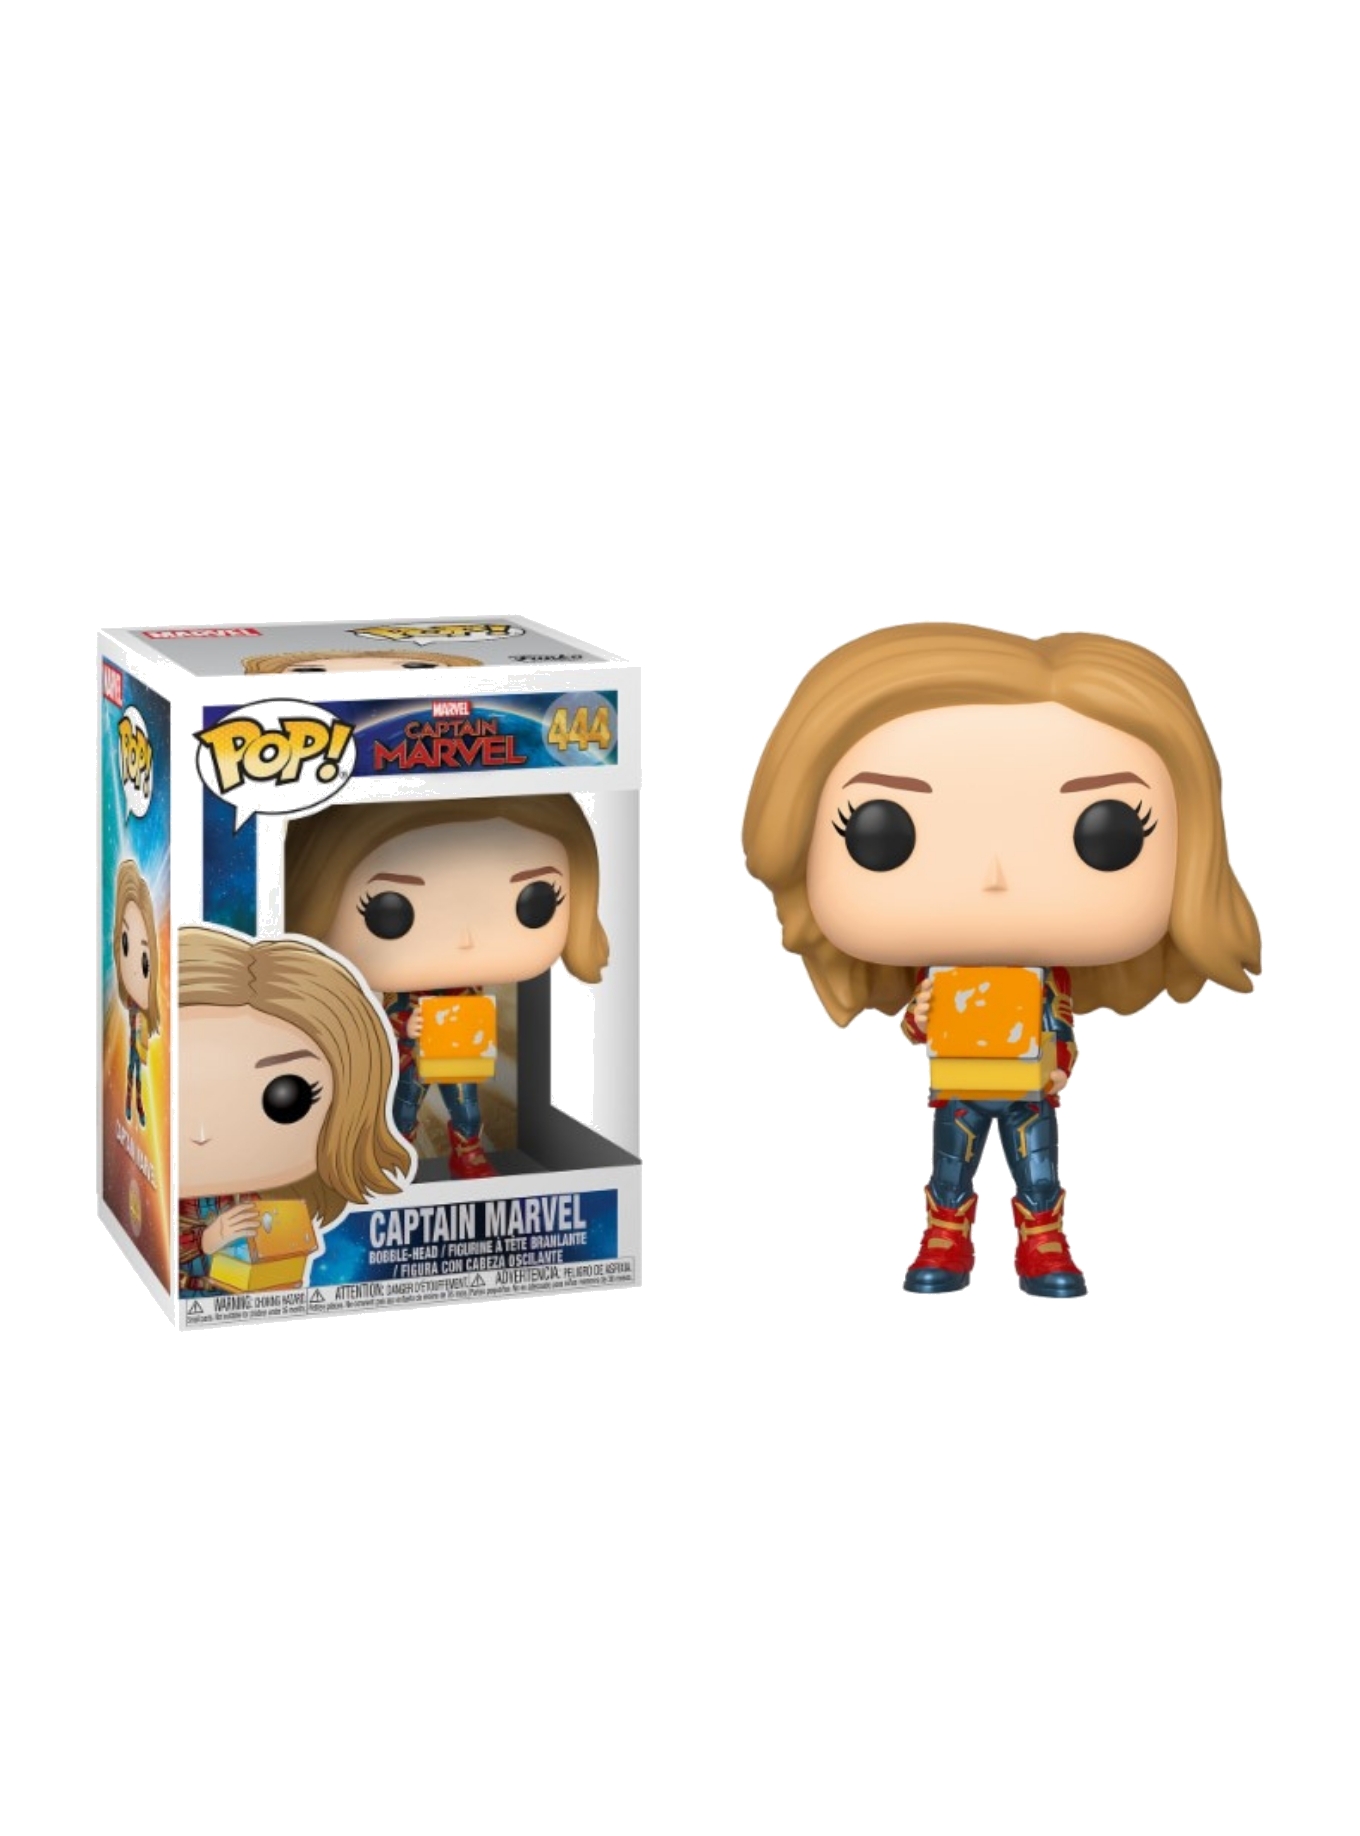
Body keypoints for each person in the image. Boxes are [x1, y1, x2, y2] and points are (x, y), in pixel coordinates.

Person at [744, 623, 1260, 1297]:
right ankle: (946, 1240)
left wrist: (1058, 1063)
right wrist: (920, 1012)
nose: (994, 876)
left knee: (1038, 1174)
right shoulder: (940, 976)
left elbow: (1061, 1024)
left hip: (1027, 1090)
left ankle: (1042, 1245)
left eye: (1107, 832)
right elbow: (917, 1028)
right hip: (958, 1089)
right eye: (882, 831)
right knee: (949, 1173)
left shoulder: (1046, 978)